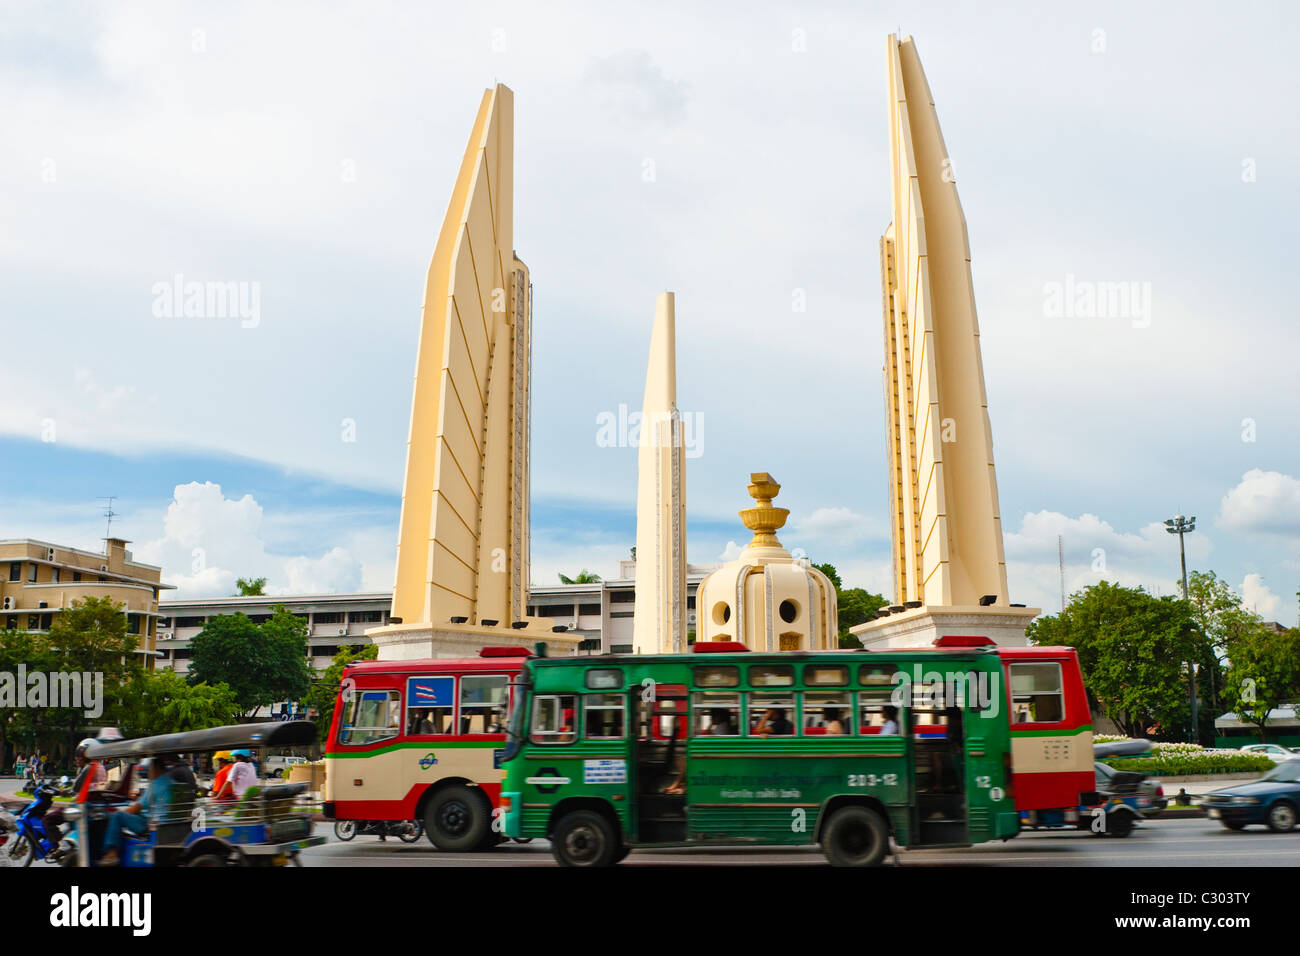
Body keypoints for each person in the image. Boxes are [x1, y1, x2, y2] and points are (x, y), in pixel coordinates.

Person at [99, 757, 174, 866]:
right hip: (167, 823)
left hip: (151, 824)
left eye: (150, 770)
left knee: (117, 816)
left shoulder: (156, 784)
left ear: (156, 768)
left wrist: (119, 813)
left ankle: (112, 855)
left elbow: (137, 807)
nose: (148, 773)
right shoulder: (171, 781)